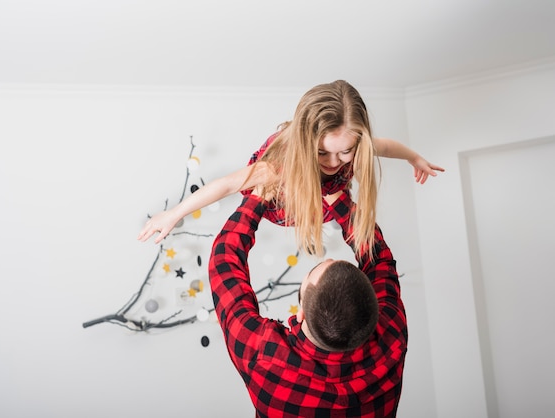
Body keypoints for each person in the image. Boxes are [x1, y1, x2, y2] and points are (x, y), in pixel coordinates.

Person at [138, 80, 444, 258]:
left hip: (327, 193)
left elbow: (387, 146)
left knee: (339, 189)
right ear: (308, 142)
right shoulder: (279, 166)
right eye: (323, 152)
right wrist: (173, 214)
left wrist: (414, 158)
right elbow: (227, 185)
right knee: (270, 185)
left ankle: (330, 198)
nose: (334, 161)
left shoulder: (357, 148)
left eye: (345, 152)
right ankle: (304, 196)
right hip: (282, 195)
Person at [208, 187, 407, 417]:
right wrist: (334, 193)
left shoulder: (267, 359)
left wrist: (259, 195)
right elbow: (378, 257)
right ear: (374, 305)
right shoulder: (391, 337)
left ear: (301, 313)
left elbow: (224, 263)